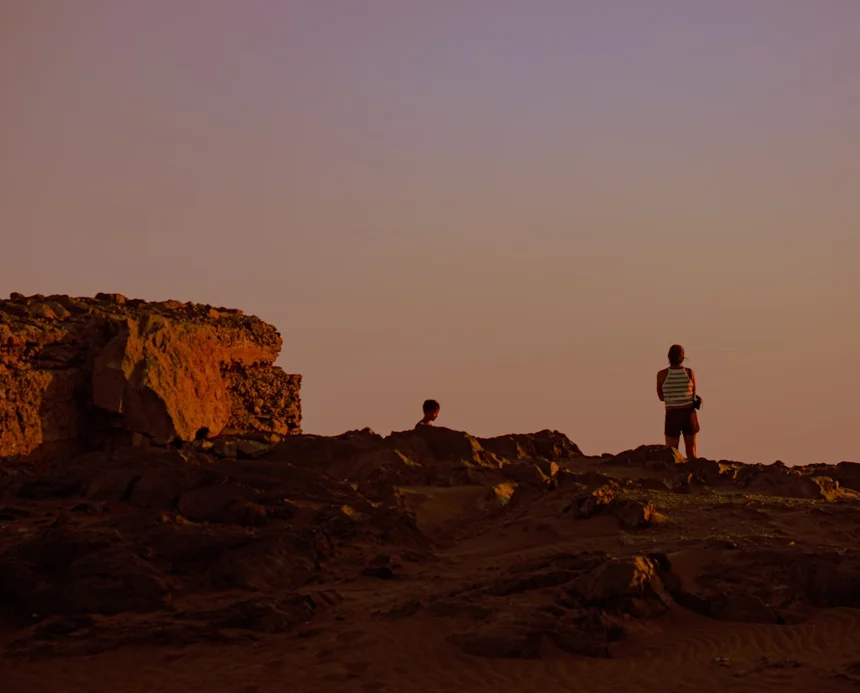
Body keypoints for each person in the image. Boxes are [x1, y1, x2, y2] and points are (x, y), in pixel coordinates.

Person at [656, 344, 699, 458]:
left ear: (668, 357)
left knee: (672, 453)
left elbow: (661, 397)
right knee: (692, 453)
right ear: (683, 358)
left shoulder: (662, 374)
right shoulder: (689, 372)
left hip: (672, 414)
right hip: (689, 414)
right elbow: (693, 394)